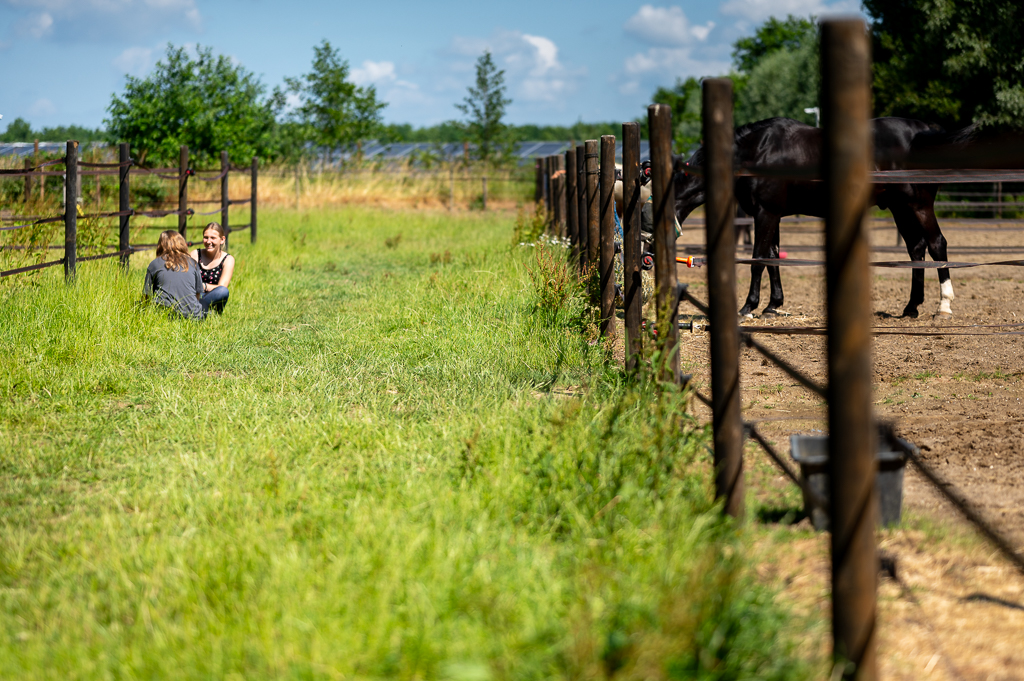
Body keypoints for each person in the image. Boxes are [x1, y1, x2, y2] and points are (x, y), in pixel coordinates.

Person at [143, 230, 205, 319]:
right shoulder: (193, 263)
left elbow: (146, 296)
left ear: (160, 245)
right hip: (194, 316)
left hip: (165, 315)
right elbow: (197, 294)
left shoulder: (155, 264)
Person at [190, 222, 235, 314]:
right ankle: (201, 310)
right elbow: (188, 280)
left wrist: (203, 286)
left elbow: (222, 287)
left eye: (213, 238)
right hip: (195, 294)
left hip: (214, 298)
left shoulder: (228, 259)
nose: (208, 241)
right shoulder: (195, 254)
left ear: (222, 240)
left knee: (223, 291)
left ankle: (199, 308)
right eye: (206, 237)